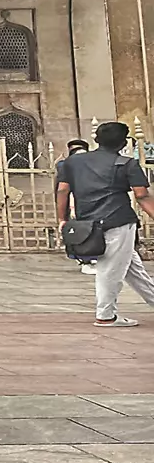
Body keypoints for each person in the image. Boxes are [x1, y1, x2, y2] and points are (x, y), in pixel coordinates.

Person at [56, 121, 154, 327]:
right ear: (123, 142)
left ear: (96, 140)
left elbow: (63, 190)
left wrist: (62, 219)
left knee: (130, 267)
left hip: (88, 222)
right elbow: (142, 196)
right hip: (117, 221)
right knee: (110, 269)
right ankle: (106, 315)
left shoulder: (73, 163)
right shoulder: (126, 164)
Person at [56, 137, 97, 275]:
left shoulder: (90, 165)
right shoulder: (66, 166)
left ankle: (90, 258)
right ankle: (84, 259)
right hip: (76, 203)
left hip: (89, 203)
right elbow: (61, 189)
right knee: (78, 232)